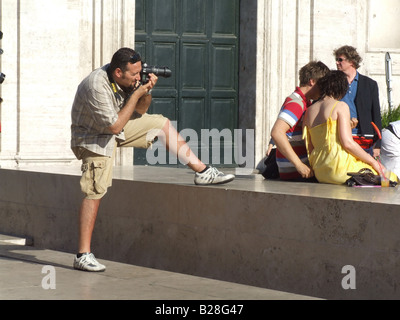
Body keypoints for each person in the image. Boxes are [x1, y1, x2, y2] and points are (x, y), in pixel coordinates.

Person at [70, 48, 235, 272]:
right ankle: (83, 255)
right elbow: (114, 126)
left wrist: (145, 91)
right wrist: (136, 94)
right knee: (95, 189)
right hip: (91, 138)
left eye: (140, 72)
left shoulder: (128, 80)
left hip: (113, 128)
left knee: (160, 124)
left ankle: (202, 171)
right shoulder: (95, 85)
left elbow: (138, 112)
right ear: (118, 72)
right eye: (134, 74)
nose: (138, 77)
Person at [302, 70, 387, 185]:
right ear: (342, 89)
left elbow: (311, 147)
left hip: (320, 171)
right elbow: (347, 143)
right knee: (388, 176)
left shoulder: (309, 111)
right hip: (340, 168)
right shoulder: (340, 106)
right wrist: (374, 162)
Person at [270, 61, 330, 181]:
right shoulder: (296, 103)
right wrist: (299, 165)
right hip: (296, 173)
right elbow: (277, 132)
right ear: (312, 81)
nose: (324, 89)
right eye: (322, 84)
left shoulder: (302, 102)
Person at [334, 46, 382, 158]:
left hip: (364, 138)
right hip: (341, 136)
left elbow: (376, 114)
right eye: (336, 59)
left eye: (340, 59)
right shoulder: (334, 83)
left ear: (351, 61)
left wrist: (378, 145)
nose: (337, 62)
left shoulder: (370, 84)